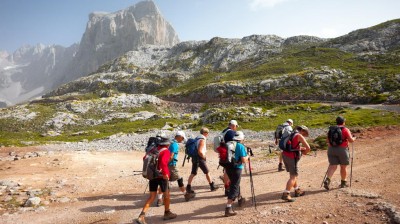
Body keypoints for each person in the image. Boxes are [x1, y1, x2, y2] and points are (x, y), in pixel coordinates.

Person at [135, 135, 177, 224]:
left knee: (152, 196)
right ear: (168, 144)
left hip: (152, 176)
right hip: (161, 176)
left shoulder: (153, 149)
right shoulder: (166, 151)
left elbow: (144, 158)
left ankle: (141, 216)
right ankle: (167, 213)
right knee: (167, 194)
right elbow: (163, 163)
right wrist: (166, 173)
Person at [156, 131, 194, 206]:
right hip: (171, 165)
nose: (182, 140)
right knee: (179, 179)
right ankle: (186, 194)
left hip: (165, 165)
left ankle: (159, 199)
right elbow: (171, 156)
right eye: (182, 138)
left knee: (164, 181)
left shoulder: (169, 142)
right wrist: (166, 165)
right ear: (179, 136)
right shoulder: (175, 144)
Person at [323, 116, 356, 190]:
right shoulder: (345, 129)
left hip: (331, 149)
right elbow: (351, 140)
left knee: (332, 166)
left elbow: (327, 140)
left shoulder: (331, 129)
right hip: (342, 150)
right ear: (343, 122)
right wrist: (354, 138)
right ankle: (343, 183)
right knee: (343, 166)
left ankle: (327, 180)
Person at [185, 127, 219, 199]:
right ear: (205, 133)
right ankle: (212, 186)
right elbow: (200, 151)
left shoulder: (197, 138)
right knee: (207, 172)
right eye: (207, 133)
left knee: (193, 173)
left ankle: (188, 187)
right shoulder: (202, 140)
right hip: (200, 158)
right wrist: (203, 157)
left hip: (194, 157)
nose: (208, 135)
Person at [281, 125, 311, 202]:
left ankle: (297, 190)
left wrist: (300, 148)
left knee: (292, 174)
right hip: (292, 157)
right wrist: (304, 152)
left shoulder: (291, 134)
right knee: (293, 177)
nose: (304, 135)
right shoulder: (299, 135)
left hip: (285, 155)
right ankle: (286, 194)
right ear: (303, 130)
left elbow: (292, 146)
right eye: (304, 133)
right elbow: (308, 148)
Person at [224, 131, 249, 217]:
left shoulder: (228, 144)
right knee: (234, 186)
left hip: (228, 168)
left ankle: (240, 199)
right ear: (241, 138)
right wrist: (248, 156)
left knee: (234, 183)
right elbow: (243, 160)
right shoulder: (240, 146)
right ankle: (228, 207)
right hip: (237, 168)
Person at [221, 120, 239, 196]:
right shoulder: (231, 132)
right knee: (229, 171)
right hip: (229, 154)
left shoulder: (224, 131)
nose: (236, 128)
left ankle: (227, 188)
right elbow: (235, 142)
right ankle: (230, 189)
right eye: (236, 126)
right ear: (233, 125)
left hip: (223, 153)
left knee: (226, 170)